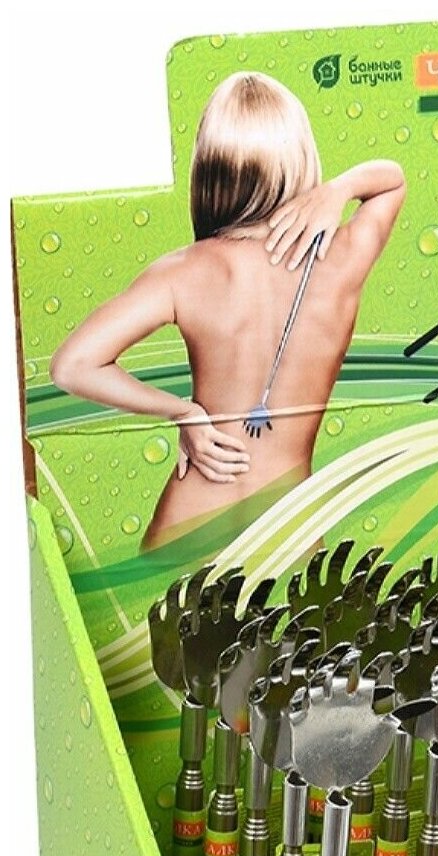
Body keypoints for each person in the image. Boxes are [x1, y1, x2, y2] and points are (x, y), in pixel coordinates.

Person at [50, 72, 405, 550]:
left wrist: (183, 412)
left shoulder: (184, 272)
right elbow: (392, 181)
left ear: (211, 168)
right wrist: (337, 190)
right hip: (289, 533)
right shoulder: (341, 260)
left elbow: (72, 366)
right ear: (299, 155)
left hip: (188, 524)